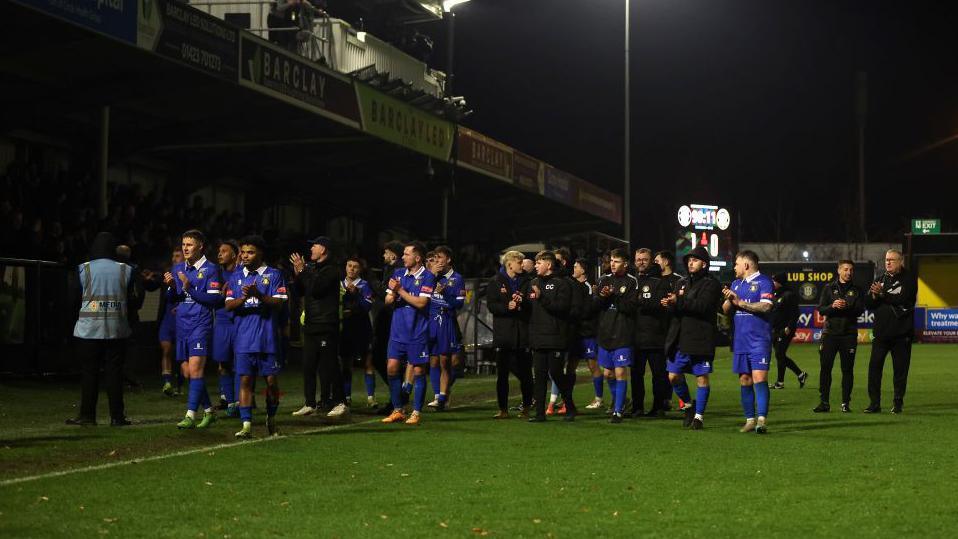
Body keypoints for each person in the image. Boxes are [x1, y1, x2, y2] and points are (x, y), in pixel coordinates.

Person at [66, 232, 139, 427]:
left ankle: (87, 416)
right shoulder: (126, 270)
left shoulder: (84, 269)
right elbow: (134, 300)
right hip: (117, 329)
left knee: (90, 373)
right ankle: (117, 416)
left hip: (88, 330)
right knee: (114, 373)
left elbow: (73, 300)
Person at [226, 235, 288, 438]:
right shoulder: (235, 276)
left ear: (260, 253)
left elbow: (279, 303)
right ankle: (246, 425)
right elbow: (228, 305)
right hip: (243, 339)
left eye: (250, 252)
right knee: (245, 381)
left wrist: (258, 294)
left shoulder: (274, 274)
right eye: (243, 252)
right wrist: (244, 297)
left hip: (267, 338)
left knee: (271, 382)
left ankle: (272, 418)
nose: (245, 256)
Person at [167, 230, 223, 430]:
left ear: (200, 246)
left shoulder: (211, 269)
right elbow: (173, 299)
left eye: (189, 244)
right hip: (182, 324)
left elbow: (214, 299)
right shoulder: (178, 268)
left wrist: (189, 288)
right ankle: (209, 411)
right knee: (188, 373)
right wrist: (172, 287)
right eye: (183, 244)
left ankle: (190, 415)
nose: (185, 248)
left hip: (201, 324)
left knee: (196, 369)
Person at [662, 246, 721, 430]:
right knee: (673, 376)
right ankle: (688, 405)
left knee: (701, 378)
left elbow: (703, 306)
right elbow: (677, 310)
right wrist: (669, 305)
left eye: (694, 260)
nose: (690, 263)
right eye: (688, 260)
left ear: (704, 263)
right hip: (680, 338)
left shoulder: (712, 284)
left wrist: (678, 301)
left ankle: (699, 416)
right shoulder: (681, 283)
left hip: (700, 338)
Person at [290, 236, 346, 418]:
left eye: (315, 245)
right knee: (308, 366)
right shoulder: (312, 269)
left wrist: (303, 271)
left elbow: (317, 289)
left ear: (324, 249)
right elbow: (299, 291)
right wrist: (298, 274)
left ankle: (339, 402)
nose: (312, 248)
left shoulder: (332, 270)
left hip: (326, 324)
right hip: (311, 324)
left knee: (329, 366)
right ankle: (310, 403)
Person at [382, 242, 436, 425]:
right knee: (391, 368)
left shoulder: (428, 277)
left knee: (419, 370)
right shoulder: (398, 274)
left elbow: (421, 303)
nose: (402, 257)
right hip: (397, 331)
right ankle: (398, 409)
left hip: (417, 332)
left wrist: (400, 291)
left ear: (417, 258)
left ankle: (416, 412)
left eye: (406, 254)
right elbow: (388, 299)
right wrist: (392, 295)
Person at [722, 250, 775, 434]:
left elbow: (766, 306)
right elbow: (726, 309)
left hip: (759, 340)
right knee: (745, 380)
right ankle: (750, 420)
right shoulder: (736, 284)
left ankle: (762, 420)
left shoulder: (764, 282)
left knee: (759, 378)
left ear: (746, 265)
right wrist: (729, 299)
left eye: (736, 264)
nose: (734, 267)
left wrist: (741, 303)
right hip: (741, 340)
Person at [865, 249, 917, 414]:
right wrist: (874, 296)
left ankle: (898, 402)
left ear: (900, 261)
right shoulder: (880, 279)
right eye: (886, 260)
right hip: (881, 334)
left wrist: (882, 294)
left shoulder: (909, 279)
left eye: (892, 260)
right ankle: (874, 404)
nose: (888, 262)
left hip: (901, 334)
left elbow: (902, 299)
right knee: (874, 368)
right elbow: (869, 304)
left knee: (900, 371)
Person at [527, 250, 576, 423]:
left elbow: (562, 307)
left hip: (555, 337)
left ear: (548, 265)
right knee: (539, 376)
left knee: (556, 373)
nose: (536, 265)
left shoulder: (561, 284)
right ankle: (539, 413)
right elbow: (529, 307)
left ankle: (569, 406)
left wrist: (542, 299)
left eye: (539, 262)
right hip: (538, 338)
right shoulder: (532, 282)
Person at [487, 250, 534, 419]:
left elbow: (532, 303)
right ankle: (503, 409)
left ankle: (527, 407)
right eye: (519, 262)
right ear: (509, 264)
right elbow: (491, 306)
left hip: (522, 333)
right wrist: (507, 307)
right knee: (502, 374)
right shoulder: (495, 281)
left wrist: (523, 303)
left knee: (526, 373)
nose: (522, 265)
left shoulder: (527, 281)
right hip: (503, 334)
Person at [593, 248, 638, 423]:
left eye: (616, 261)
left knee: (620, 373)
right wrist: (603, 297)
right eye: (611, 260)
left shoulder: (632, 282)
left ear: (625, 264)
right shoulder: (603, 279)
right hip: (605, 333)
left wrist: (614, 296)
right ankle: (623, 401)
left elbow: (631, 308)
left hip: (622, 333)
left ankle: (617, 411)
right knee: (608, 375)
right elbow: (595, 305)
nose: (612, 264)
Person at [813, 260, 864, 413]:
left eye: (851, 270)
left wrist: (846, 306)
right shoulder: (829, 288)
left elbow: (860, 310)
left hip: (848, 335)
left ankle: (845, 403)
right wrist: (833, 306)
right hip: (830, 335)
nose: (849, 273)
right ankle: (824, 402)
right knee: (825, 369)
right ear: (839, 270)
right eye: (846, 269)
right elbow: (821, 309)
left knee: (847, 370)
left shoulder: (857, 290)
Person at [632, 247, 671, 418]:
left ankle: (658, 407)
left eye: (644, 259)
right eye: (638, 259)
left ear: (651, 261)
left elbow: (660, 305)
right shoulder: (632, 281)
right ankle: (637, 407)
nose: (641, 262)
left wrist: (640, 301)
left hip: (656, 336)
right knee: (636, 375)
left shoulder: (660, 282)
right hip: (635, 337)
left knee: (659, 375)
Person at [426, 246, 465, 411]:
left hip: (447, 322)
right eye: (434, 257)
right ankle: (438, 397)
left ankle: (444, 393)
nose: (437, 260)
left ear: (448, 259)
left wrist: (445, 293)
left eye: (439, 257)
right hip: (431, 322)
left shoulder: (457, 278)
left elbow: (459, 303)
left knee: (446, 360)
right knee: (433, 360)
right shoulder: (432, 277)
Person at [143, 248, 184, 396]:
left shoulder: (188, 275)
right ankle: (167, 382)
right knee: (166, 350)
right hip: (167, 319)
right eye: (173, 255)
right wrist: (146, 280)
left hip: (182, 319)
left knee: (180, 354)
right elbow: (152, 286)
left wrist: (182, 307)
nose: (174, 258)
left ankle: (180, 384)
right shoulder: (166, 275)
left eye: (177, 256)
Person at [370, 241, 403, 413]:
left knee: (383, 358)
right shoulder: (392, 269)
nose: (383, 256)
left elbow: (387, 295)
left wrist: (372, 281)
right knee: (383, 359)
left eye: (386, 252)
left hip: (390, 322)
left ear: (393, 254)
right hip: (387, 320)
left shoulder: (396, 270)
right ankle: (396, 398)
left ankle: (398, 398)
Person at [340, 256, 375, 407]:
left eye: (355, 266)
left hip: (362, 329)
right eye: (349, 265)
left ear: (360, 270)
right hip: (345, 329)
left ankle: (371, 398)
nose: (351, 269)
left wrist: (356, 294)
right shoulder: (339, 285)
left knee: (368, 362)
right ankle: (347, 397)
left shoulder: (365, 285)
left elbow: (367, 306)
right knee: (346, 363)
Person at [213, 240, 240, 416]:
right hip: (221, 322)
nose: (220, 254)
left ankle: (241, 401)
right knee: (223, 364)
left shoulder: (242, 274)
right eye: (219, 251)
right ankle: (231, 403)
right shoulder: (215, 274)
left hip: (238, 322)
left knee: (240, 364)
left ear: (234, 254)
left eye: (224, 251)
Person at [770, 272, 808, 390]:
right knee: (779, 355)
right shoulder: (776, 294)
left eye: (774, 281)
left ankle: (781, 382)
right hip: (776, 329)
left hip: (785, 329)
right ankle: (800, 375)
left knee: (779, 354)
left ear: (779, 282)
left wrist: (789, 327)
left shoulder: (789, 295)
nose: (772, 283)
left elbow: (795, 313)